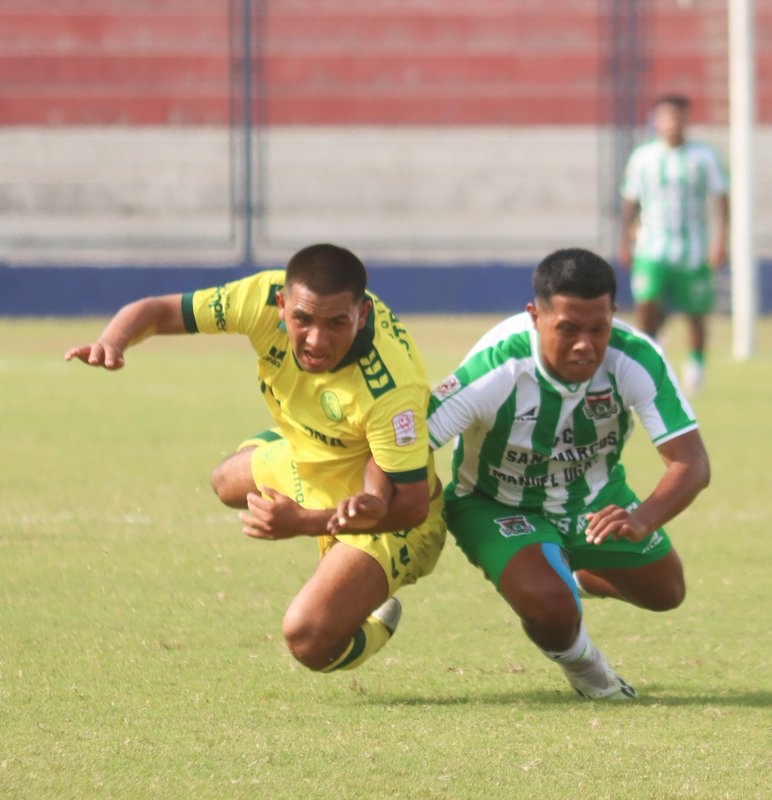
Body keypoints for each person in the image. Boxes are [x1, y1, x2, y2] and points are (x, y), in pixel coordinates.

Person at [65, 243, 446, 673]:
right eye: (302, 319)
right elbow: (156, 310)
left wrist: (303, 522)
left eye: (336, 323)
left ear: (360, 317)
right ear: (282, 305)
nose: (316, 340)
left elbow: (412, 506)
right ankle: (302, 442)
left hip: (384, 508)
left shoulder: (390, 388)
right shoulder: (260, 299)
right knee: (226, 482)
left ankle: (377, 623)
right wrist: (112, 341)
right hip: (315, 452)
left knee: (309, 641)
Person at [423, 247, 710, 699]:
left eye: (599, 328)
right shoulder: (495, 368)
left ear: (614, 313)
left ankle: (568, 571)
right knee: (552, 608)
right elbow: (409, 447)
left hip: (592, 498)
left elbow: (691, 461)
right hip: (494, 502)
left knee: (666, 591)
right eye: (568, 329)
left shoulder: (635, 357)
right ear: (535, 316)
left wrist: (643, 517)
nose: (585, 344)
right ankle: (591, 675)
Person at [618, 93, 729, 395]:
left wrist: (721, 241)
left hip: (692, 251)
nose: (671, 122)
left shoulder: (703, 157)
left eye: (677, 116)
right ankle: (652, 366)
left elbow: (721, 199)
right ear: (656, 121)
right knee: (647, 304)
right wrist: (624, 240)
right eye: (665, 116)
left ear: (686, 119)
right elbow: (630, 201)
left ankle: (696, 369)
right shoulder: (643, 158)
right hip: (652, 247)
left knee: (695, 313)